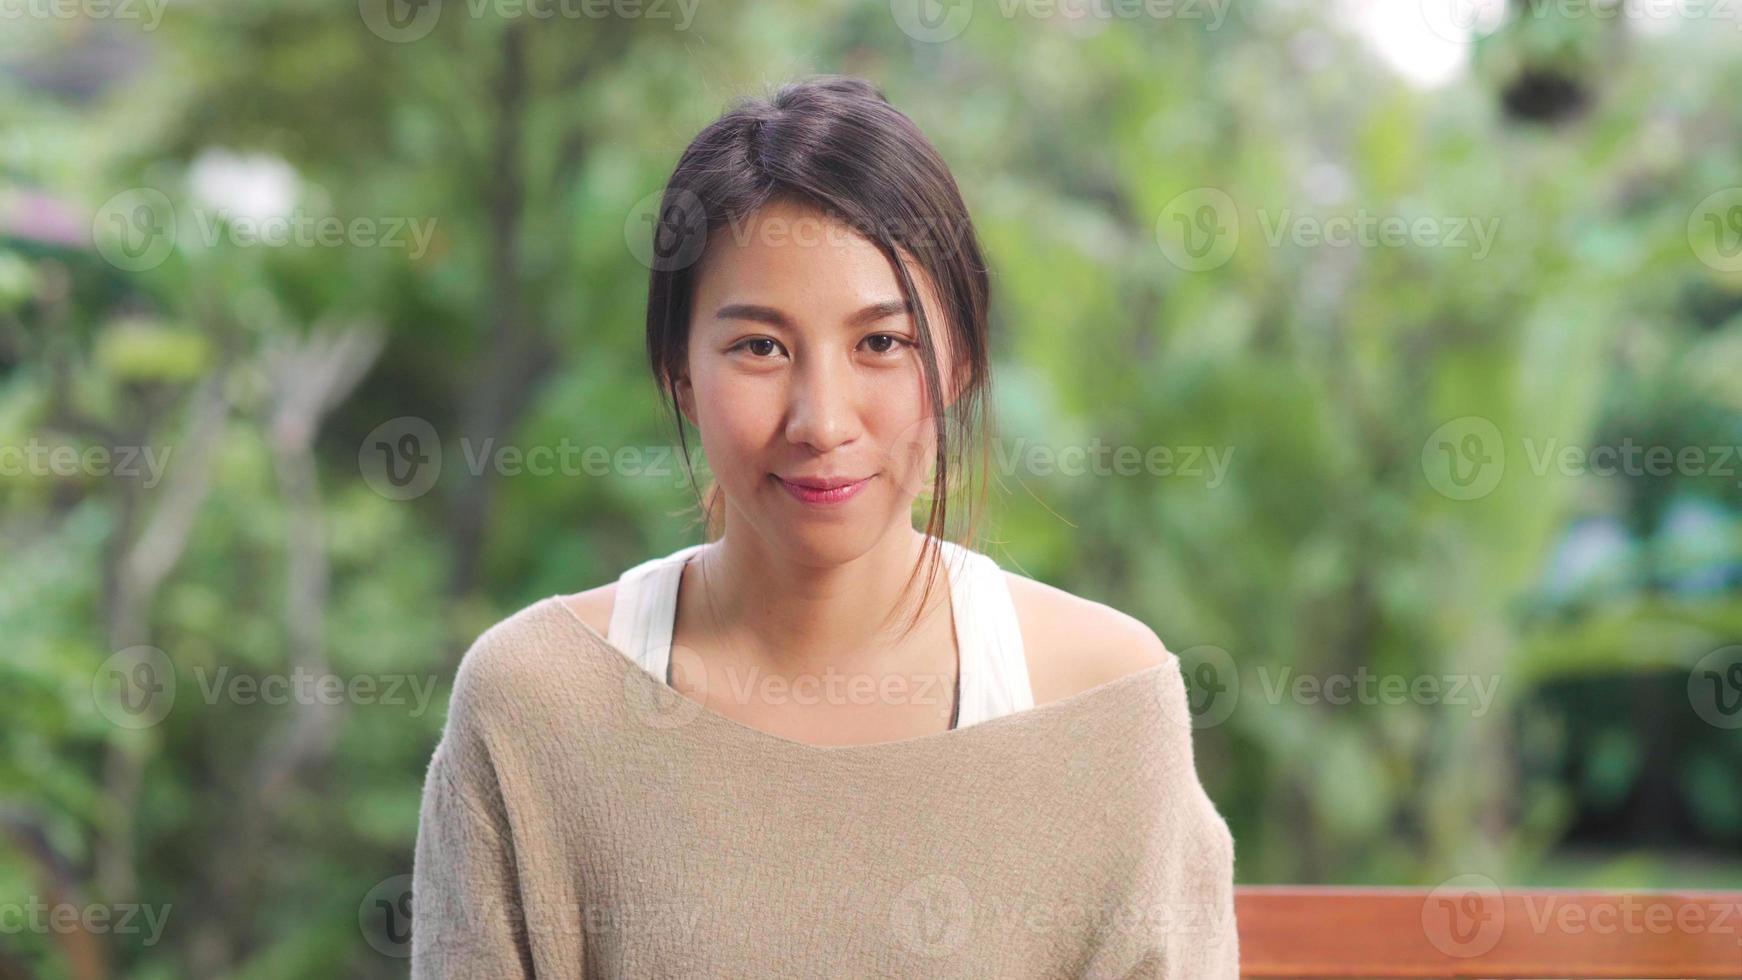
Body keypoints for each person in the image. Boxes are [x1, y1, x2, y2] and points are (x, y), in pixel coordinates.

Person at [411, 74, 1239, 978]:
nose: (823, 421)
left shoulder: (1102, 706)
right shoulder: (537, 703)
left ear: (959, 360)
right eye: (759, 347)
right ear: (680, 374)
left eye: (883, 343)